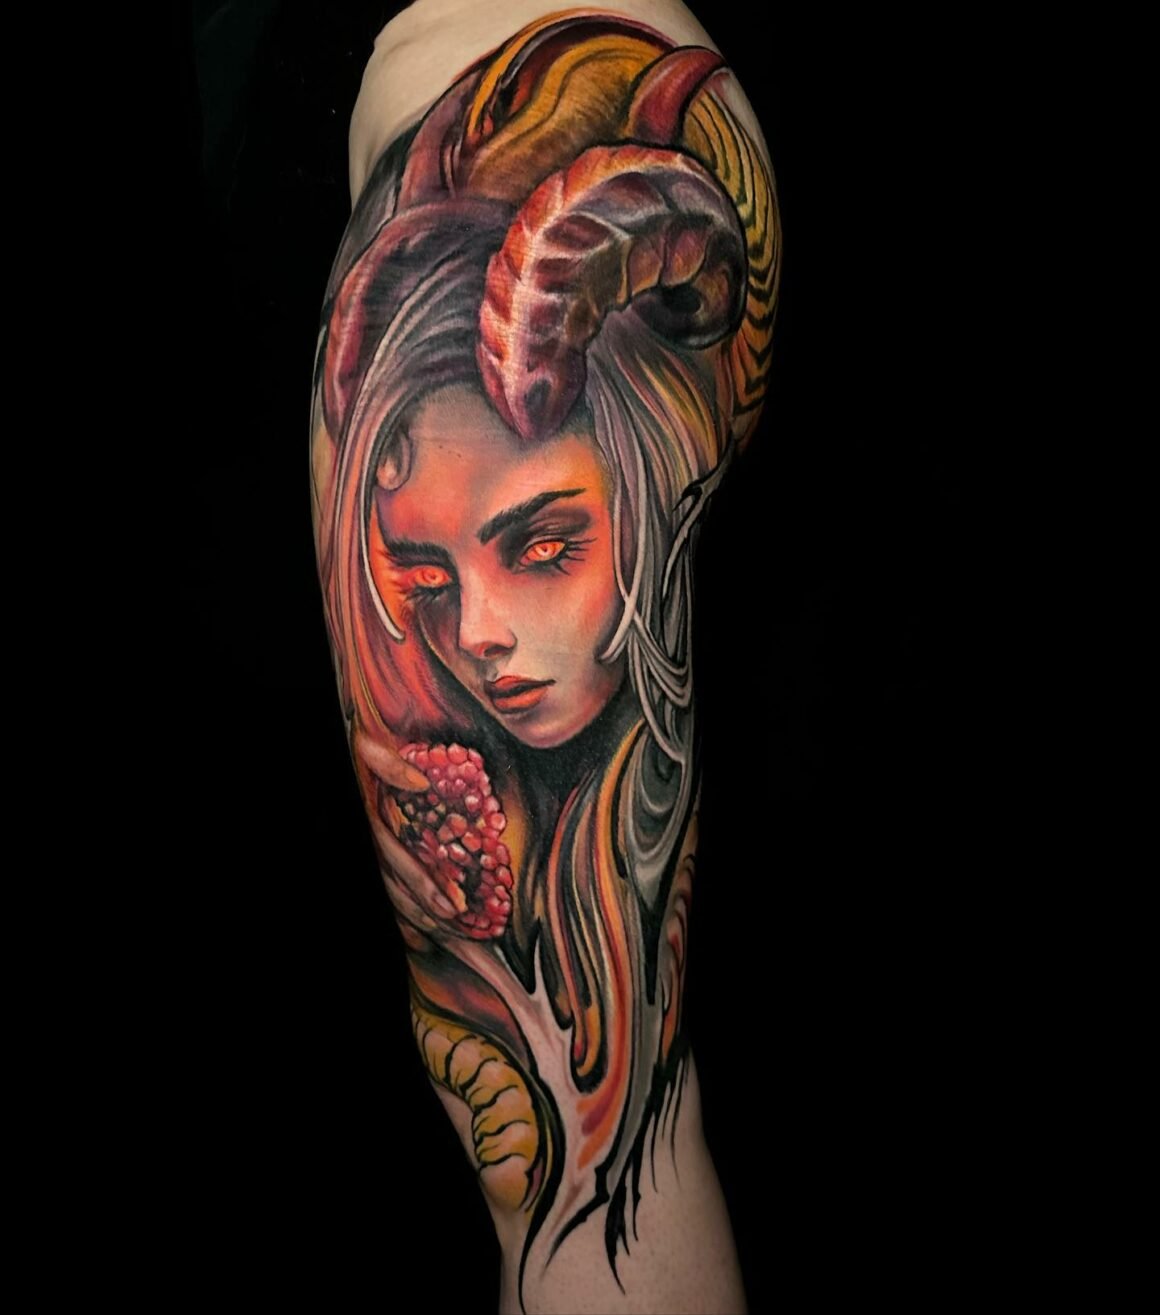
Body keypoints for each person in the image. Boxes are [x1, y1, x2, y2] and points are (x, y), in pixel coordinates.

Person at [310, 5, 779, 1310]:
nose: (474, 638)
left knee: (592, 1163)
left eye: (542, 543)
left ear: (648, 450)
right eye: (426, 576)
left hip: (534, 129)